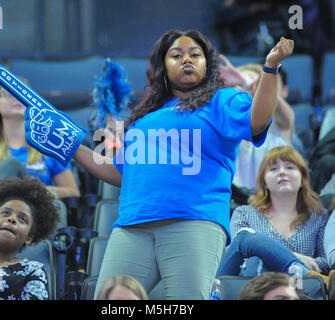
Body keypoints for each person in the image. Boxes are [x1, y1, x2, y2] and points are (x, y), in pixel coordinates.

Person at [24, 29, 294, 299]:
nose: (187, 59)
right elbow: (120, 171)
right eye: (176, 55)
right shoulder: (143, 116)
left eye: (195, 55)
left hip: (193, 220)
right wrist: (71, 148)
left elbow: (258, 120)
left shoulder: (223, 99)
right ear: (162, 66)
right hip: (132, 224)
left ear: (207, 64)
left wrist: (270, 69)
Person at [219, 146, 329, 278]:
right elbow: (237, 254)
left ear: (303, 179)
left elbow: (326, 262)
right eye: (273, 169)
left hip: (301, 288)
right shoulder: (244, 213)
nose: (282, 172)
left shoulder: (319, 216)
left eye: (290, 167)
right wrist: (295, 258)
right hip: (253, 285)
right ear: (264, 182)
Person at [0, 83, 80, 202]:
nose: (16, 97)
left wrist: (48, 192)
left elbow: (73, 191)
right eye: (7, 93)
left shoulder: (49, 143)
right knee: (11, 165)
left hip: (36, 212)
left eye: (23, 93)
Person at [0, 176, 61, 300]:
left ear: (29, 238)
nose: (12, 219)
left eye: (22, 219)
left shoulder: (33, 271)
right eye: (6, 213)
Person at [219, 57, 295, 190]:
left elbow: (286, 118)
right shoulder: (224, 124)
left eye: (255, 85)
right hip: (233, 201)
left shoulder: (278, 125)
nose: (251, 92)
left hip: (270, 202)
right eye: (241, 86)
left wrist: (262, 85)